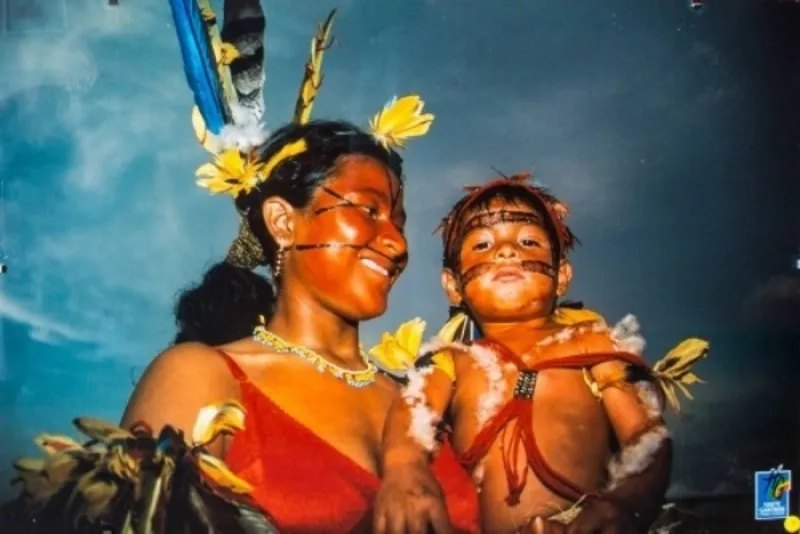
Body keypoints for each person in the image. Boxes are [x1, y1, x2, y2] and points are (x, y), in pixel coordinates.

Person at [2, 3, 479, 533]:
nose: (394, 241)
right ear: (282, 221)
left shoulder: (424, 401)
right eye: (367, 211)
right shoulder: (201, 375)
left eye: (399, 221)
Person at [372, 174, 709, 533]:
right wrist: (404, 471)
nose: (506, 251)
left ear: (562, 276)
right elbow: (412, 413)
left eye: (529, 241)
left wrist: (624, 504)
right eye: (482, 245)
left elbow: (645, 434)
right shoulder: (452, 360)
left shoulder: (592, 344)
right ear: (453, 286)